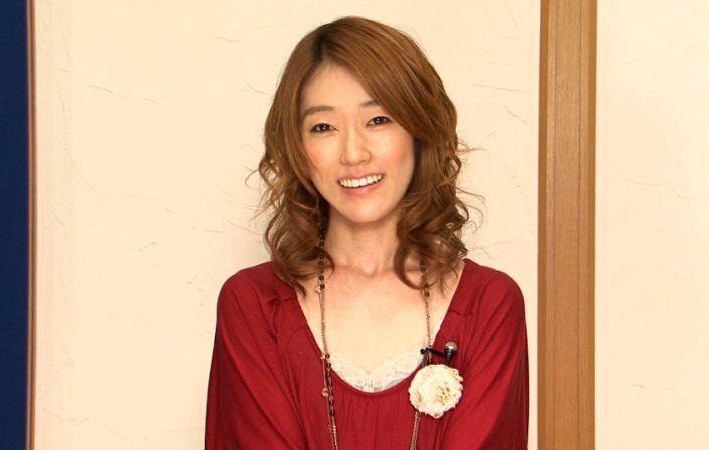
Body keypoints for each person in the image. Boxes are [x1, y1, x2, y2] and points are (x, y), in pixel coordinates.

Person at [206, 16, 528, 450]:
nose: (354, 153)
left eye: (378, 119)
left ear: (419, 132)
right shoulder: (254, 306)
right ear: (297, 148)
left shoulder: (489, 305)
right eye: (323, 127)